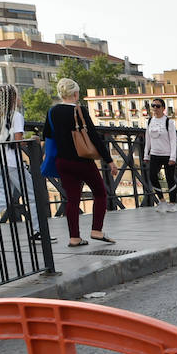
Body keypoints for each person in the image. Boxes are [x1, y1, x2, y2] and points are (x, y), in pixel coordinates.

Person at [43, 78, 115, 247]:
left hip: (62, 162)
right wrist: (109, 160)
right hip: (82, 161)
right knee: (100, 192)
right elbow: (94, 137)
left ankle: (74, 238)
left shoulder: (52, 112)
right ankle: (96, 230)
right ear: (75, 94)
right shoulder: (79, 110)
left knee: (72, 199)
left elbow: (48, 135)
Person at [0, 83, 47, 241]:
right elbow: (17, 141)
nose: (20, 98)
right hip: (11, 162)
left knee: (1, 198)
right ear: (12, 99)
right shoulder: (16, 116)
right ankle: (37, 231)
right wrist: (34, 139)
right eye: (17, 95)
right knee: (33, 195)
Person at [142, 98, 177, 212]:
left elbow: (174, 140)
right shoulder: (149, 121)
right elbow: (147, 139)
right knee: (152, 177)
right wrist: (146, 155)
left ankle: (172, 204)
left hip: (167, 154)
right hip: (154, 154)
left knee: (169, 179)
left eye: (158, 106)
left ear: (163, 108)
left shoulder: (169, 122)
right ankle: (162, 201)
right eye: (153, 106)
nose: (155, 108)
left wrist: (173, 157)